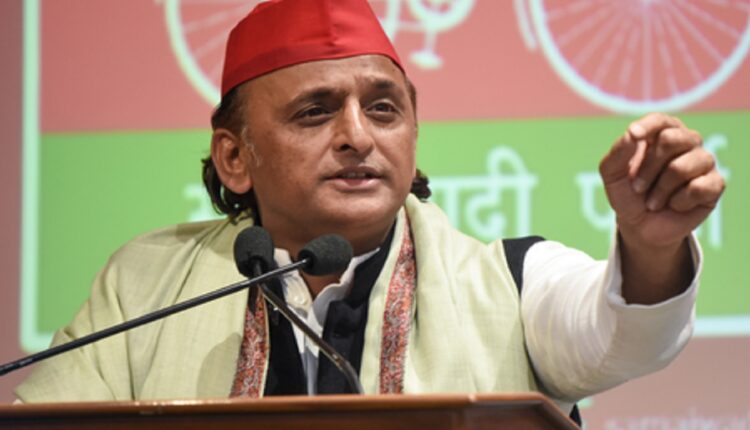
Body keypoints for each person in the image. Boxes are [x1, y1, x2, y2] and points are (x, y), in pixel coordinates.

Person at [16, 0, 724, 420]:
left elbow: (621, 337)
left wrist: (650, 245)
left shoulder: (508, 281)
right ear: (235, 157)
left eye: (383, 108)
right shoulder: (145, 285)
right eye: (315, 111)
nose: (358, 135)